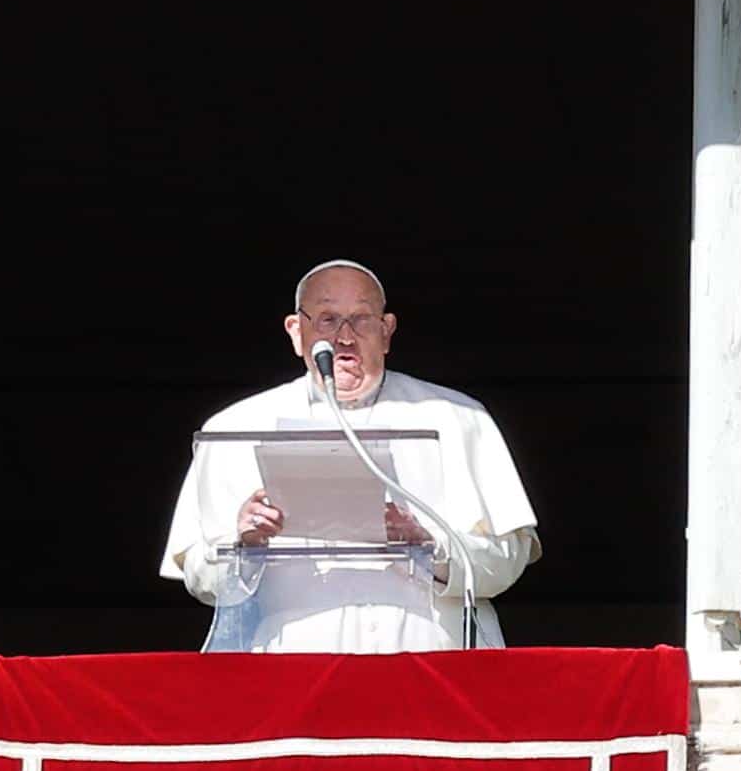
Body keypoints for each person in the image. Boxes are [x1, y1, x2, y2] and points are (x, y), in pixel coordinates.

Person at [161, 261, 541, 652]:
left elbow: (507, 562)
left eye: (361, 319)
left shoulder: (459, 417)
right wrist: (245, 545)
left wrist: (434, 547)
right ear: (296, 331)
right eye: (327, 320)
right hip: (293, 666)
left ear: (386, 330)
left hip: (432, 661)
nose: (344, 337)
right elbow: (199, 577)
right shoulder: (235, 426)